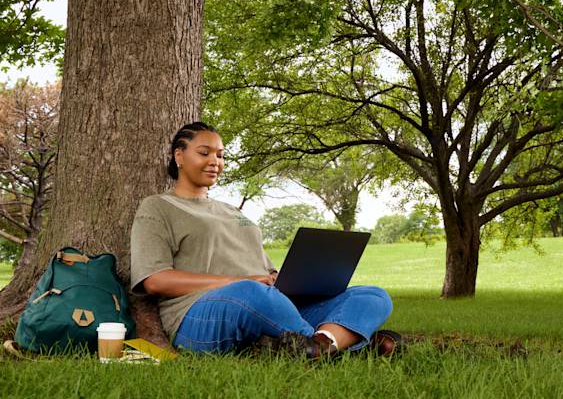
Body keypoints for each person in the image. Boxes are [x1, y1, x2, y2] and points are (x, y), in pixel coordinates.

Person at [130, 122, 399, 357]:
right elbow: (155, 280)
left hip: (266, 304)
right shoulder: (158, 207)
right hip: (199, 316)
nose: (215, 161)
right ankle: (348, 343)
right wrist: (241, 282)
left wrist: (280, 277)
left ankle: (320, 346)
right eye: (204, 153)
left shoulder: (231, 210)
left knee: (373, 295)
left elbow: (262, 271)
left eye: (221, 156)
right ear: (179, 156)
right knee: (254, 293)